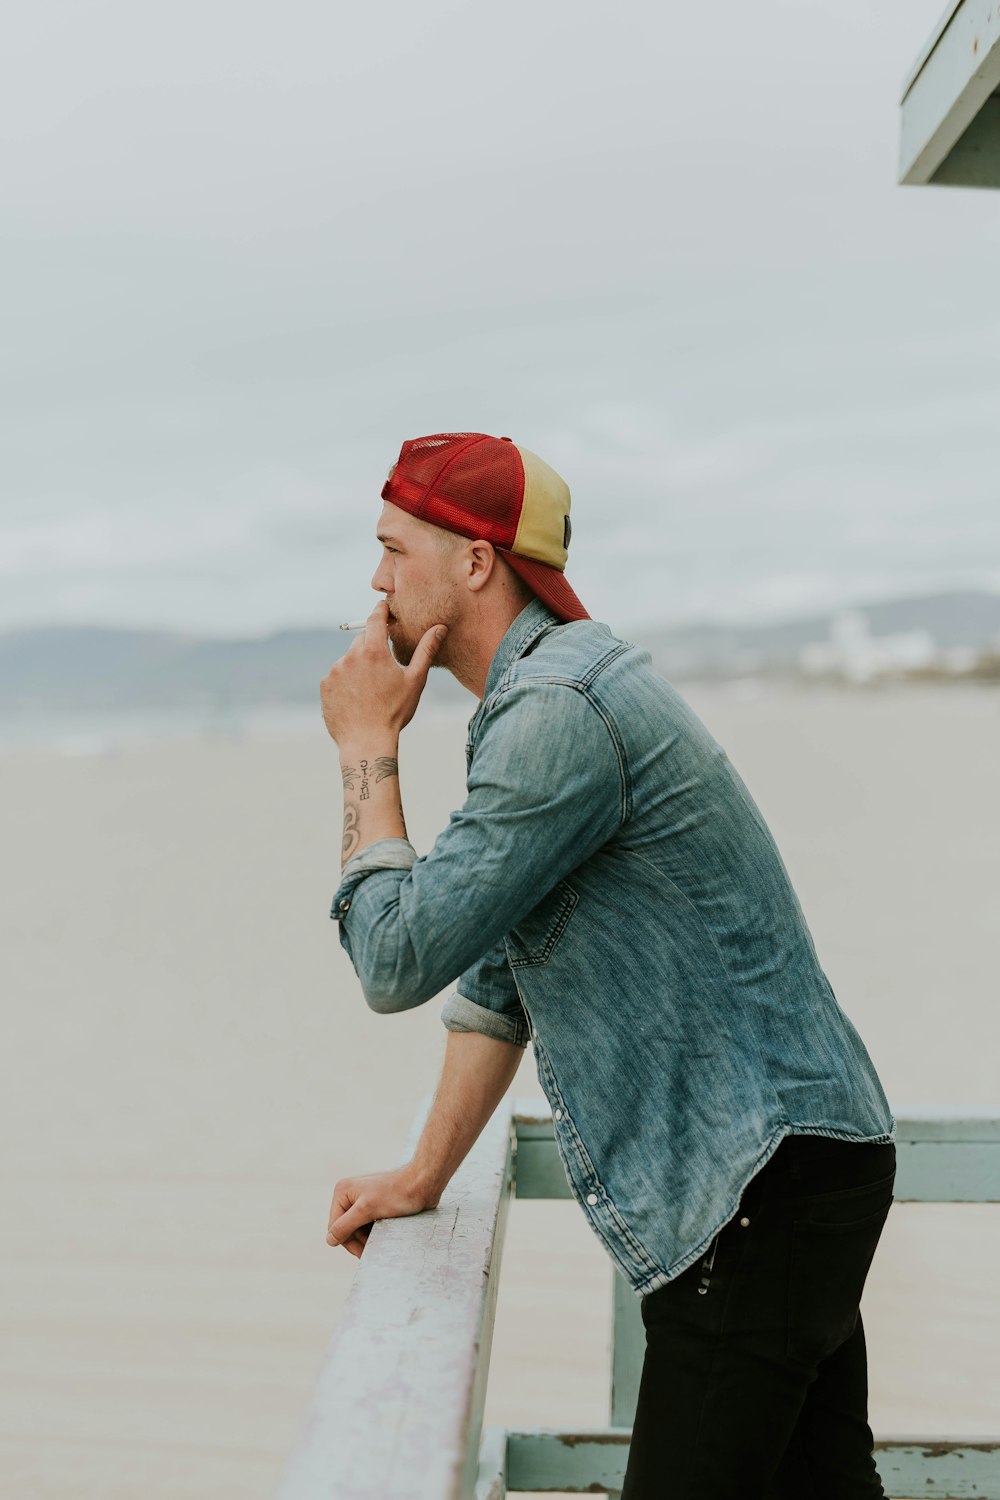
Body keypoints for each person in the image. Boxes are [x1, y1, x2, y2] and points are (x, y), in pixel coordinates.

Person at [319, 430, 896, 1499]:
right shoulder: (544, 703)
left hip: (758, 1190)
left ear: (477, 562)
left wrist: (364, 747)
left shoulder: (556, 714)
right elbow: (497, 985)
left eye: (397, 549)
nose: (376, 577)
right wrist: (423, 1178)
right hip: (793, 1174)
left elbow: (395, 959)